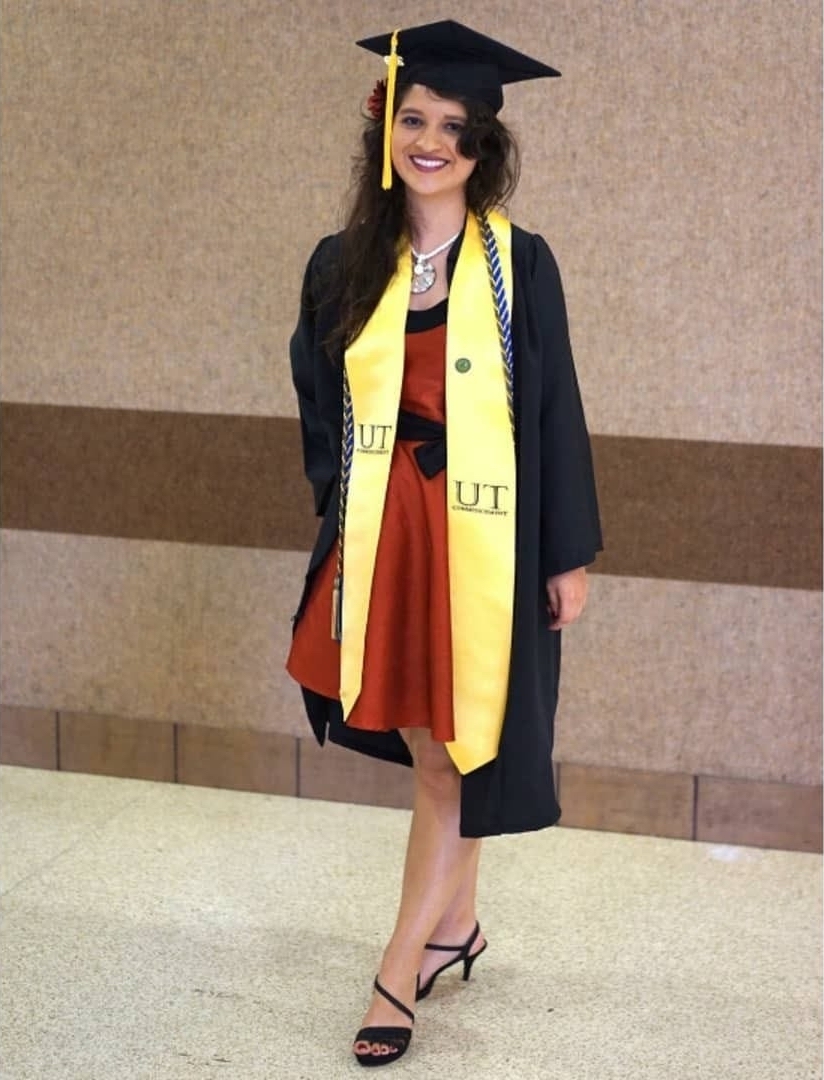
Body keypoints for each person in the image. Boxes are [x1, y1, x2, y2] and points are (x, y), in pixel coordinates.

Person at [286, 19, 602, 1067]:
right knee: (436, 752)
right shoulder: (341, 265)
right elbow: (319, 407)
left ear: (482, 149)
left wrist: (567, 554)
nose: (431, 143)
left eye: (454, 130)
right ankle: (456, 926)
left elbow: (554, 413)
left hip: (484, 544)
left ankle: (395, 968)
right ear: (386, 129)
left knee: (450, 758)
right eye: (413, 120)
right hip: (385, 537)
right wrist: (342, 509)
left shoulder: (518, 264)